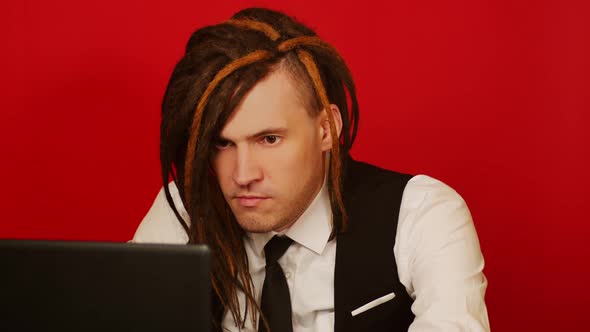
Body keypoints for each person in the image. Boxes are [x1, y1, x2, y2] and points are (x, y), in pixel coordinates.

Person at [132, 7, 490, 332]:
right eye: (223, 144)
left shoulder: (422, 213)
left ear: (326, 129)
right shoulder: (184, 210)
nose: (242, 175)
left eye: (269, 139)